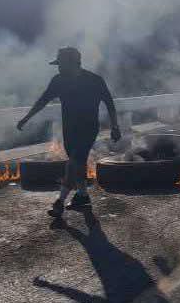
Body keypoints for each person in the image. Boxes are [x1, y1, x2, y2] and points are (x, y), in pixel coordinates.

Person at [17, 47, 121, 217]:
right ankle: (82, 195)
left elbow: (109, 103)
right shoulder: (58, 81)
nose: (58, 68)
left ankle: (60, 201)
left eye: (61, 64)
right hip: (69, 129)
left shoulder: (94, 80)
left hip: (88, 128)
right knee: (78, 163)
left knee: (73, 161)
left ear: (73, 63)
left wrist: (115, 126)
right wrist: (26, 118)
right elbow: (43, 100)